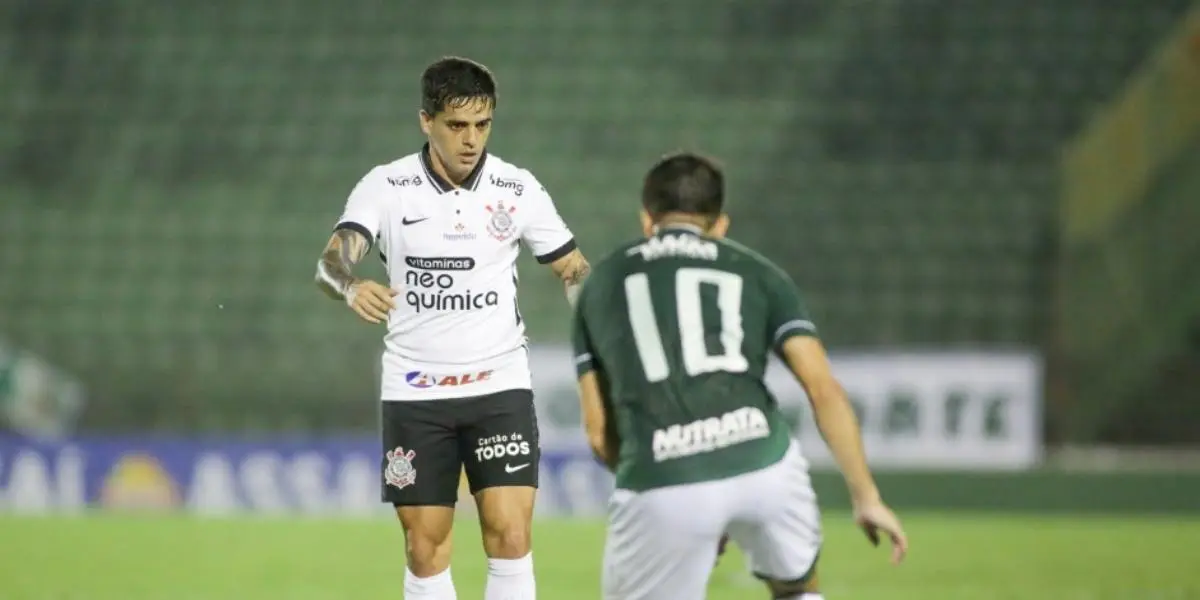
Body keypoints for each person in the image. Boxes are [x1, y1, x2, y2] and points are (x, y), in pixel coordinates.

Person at [570, 152, 908, 600]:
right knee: (797, 588)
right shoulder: (759, 273)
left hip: (664, 476)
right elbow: (823, 389)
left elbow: (598, 433)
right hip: (764, 466)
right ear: (721, 224)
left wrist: (682, 497)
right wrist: (866, 496)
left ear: (646, 219)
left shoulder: (601, 285)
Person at [314, 56, 590, 600]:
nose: (471, 140)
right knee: (425, 548)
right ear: (426, 121)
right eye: (456, 126)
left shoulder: (517, 188)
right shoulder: (386, 186)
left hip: (499, 385)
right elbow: (328, 265)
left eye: (482, 125)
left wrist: (588, 304)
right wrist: (351, 286)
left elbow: (572, 266)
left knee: (511, 535)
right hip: (416, 389)